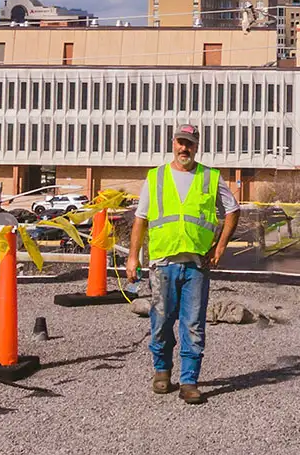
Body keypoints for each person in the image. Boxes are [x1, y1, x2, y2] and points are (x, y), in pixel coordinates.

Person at [126, 124, 239, 405]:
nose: (183, 148)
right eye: (180, 142)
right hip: (163, 264)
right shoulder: (156, 177)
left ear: (196, 146)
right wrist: (133, 256)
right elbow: (141, 219)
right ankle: (162, 371)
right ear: (173, 143)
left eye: (189, 143)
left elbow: (233, 210)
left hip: (196, 265)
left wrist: (220, 245)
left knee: (192, 324)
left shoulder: (210, 177)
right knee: (161, 320)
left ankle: (189, 381)